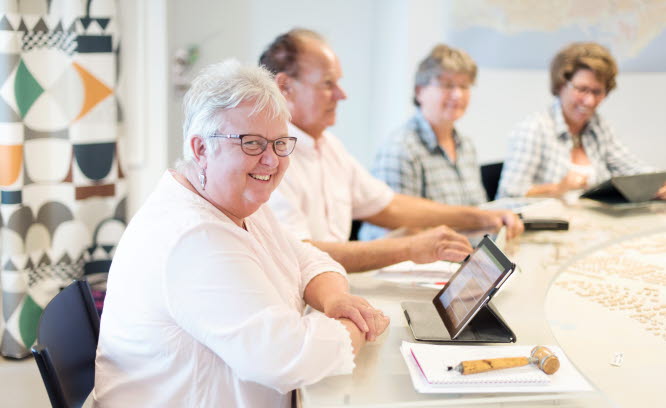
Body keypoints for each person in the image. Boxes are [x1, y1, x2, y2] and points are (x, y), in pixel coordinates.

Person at [93, 60, 389, 408]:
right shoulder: (192, 237)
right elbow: (287, 358)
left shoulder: (237, 201)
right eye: (252, 143)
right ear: (202, 148)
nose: (272, 160)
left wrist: (335, 300)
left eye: (280, 143)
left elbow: (307, 258)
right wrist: (360, 326)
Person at [259, 29, 522, 273]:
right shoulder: (268, 158)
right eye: (328, 84)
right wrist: (411, 247)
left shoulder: (329, 147)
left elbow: (389, 205)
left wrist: (481, 218)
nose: (342, 95)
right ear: (284, 88)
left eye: (464, 86)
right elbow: (298, 254)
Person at [497, 42, 666, 200]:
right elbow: (508, 194)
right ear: (561, 84)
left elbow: (631, 168)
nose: (590, 101)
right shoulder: (534, 129)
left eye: (598, 92)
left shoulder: (598, 125)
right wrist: (556, 189)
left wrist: (659, 182)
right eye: (582, 89)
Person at [359, 44, 488, 241]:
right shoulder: (401, 148)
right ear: (420, 91)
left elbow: (477, 214)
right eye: (448, 85)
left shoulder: (466, 146)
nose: (458, 95)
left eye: (464, 86)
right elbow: (397, 233)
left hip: (462, 259)